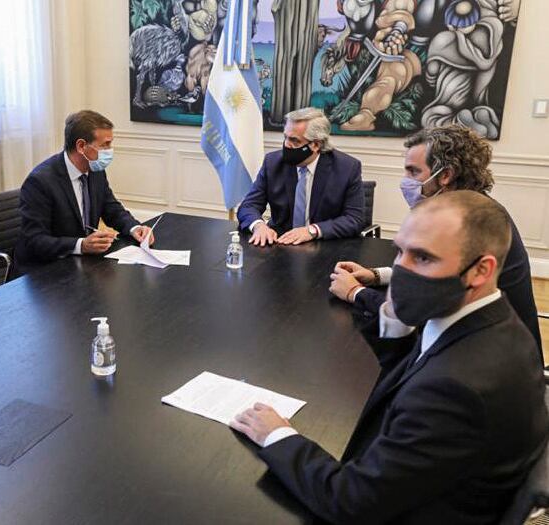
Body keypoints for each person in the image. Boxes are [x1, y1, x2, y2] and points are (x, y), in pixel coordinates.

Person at [232, 191, 548, 524]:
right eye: (401, 252)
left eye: (423, 258)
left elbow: (350, 501)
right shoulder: (493, 320)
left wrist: (277, 435)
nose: (401, 270)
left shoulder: (455, 389)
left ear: (480, 270)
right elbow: (416, 368)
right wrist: (395, 319)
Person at [329, 124, 542, 358]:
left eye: (413, 172)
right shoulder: (473, 207)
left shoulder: (466, 223)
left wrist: (355, 293)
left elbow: (417, 311)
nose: (405, 181)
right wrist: (378, 275)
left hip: (488, 355)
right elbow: (441, 272)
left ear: (445, 175)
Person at [12, 110, 153, 276]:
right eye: (105, 145)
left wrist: (134, 228)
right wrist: (81, 245)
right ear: (81, 146)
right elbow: (34, 241)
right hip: (42, 271)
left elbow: (111, 208)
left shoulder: (95, 170)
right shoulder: (40, 182)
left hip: (79, 264)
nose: (109, 150)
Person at [237, 107, 365, 247]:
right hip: (280, 244)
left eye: (294, 140)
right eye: (285, 137)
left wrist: (312, 230)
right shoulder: (273, 163)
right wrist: (259, 226)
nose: (286, 144)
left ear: (316, 144)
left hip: (323, 246)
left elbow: (354, 219)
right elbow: (249, 206)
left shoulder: (346, 168)